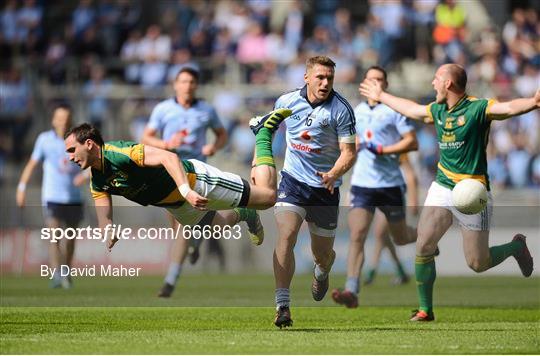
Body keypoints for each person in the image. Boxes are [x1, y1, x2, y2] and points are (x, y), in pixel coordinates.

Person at [359, 63, 537, 321]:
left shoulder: (477, 108)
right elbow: (412, 110)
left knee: (478, 263)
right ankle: (425, 309)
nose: (432, 83)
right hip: (443, 185)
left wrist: (533, 101)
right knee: (424, 244)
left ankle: (515, 247)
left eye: (436, 78)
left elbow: (507, 108)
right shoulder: (438, 109)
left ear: (449, 83)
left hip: (473, 191)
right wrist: (382, 95)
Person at [64, 107, 289, 256]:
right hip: (176, 205)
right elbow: (105, 216)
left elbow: (168, 157)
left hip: (194, 182)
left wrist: (186, 191)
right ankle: (245, 214)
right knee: (210, 230)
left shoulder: (120, 153)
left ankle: (262, 133)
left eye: (73, 150)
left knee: (268, 196)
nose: (71, 156)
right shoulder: (97, 178)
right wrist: (108, 230)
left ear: (90, 144)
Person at [271, 56, 357, 328]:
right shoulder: (285, 102)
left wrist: (333, 173)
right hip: (293, 181)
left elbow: (349, 153)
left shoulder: (342, 109)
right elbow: (266, 133)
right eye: (320, 77)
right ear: (306, 77)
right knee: (286, 235)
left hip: (325, 189)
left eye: (329, 78)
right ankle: (282, 305)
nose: (325, 83)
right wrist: (258, 162)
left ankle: (322, 270)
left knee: (322, 254)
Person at [331, 66, 419, 309]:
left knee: (401, 238)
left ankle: (426, 236)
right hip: (363, 183)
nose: (376, 83)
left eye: (380, 80)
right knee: (358, 235)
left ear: (386, 85)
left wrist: (384, 150)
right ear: (364, 84)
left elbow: (412, 142)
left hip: (390, 184)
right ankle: (352, 289)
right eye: (372, 79)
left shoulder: (394, 110)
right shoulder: (355, 112)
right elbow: (349, 146)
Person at [141, 67, 228, 298]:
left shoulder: (206, 110)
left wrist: (214, 147)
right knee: (178, 227)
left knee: (183, 227)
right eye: (183, 81)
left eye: (191, 81)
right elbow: (146, 137)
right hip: (171, 172)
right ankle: (194, 244)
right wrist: (167, 144)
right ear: (175, 85)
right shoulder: (163, 109)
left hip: (199, 172)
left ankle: (170, 280)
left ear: (196, 85)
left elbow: (222, 134)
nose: (187, 85)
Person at [16, 104, 87, 289]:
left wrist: (85, 176)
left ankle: (66, 272)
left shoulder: (79, 140)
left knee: (70, 239)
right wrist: (21, 188)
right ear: (53, 120)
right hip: (52, 195)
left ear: (70, 121)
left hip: (74, 197)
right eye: (60, 119)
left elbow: (92, 166)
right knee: (54, 236)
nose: (63, 123)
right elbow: (32, 164)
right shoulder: (44, 140)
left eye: (66, 119)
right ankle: (57, 273)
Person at [363, 153, 419, 286]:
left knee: (382, 233)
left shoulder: (396, 146)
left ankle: (372, 270)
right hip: (378, 194)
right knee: (384, 236)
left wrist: (413, 199)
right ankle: (400, 270)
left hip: (394, 195)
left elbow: (410, 174)